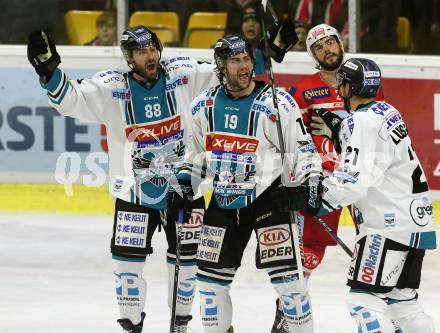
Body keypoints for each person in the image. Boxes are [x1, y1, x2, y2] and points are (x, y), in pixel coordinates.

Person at [27, 23, 297, 333]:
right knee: (126, 273)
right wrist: (49, 72)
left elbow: (227, 70)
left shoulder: (182, 73)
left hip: (185, 189)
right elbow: (70, 98)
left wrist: (269, 52)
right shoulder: (111, 86)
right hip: (134, 194)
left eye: (153, 48)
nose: (150, 55)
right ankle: (131, 326)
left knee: (186, 267)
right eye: (142, 52)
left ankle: (179, 326)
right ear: (129, 57)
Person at [170, 34, 322, 333]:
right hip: (223, 202)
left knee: (291, 286)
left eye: (246, 59)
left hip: (271, 200)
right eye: (234, 60)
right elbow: (194, 154)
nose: (243, 66)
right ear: (220, 66)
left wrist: (306, 186)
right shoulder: (203, 106)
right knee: (210, 286)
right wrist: (184, 187)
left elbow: (304, 150)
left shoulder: (277, 103)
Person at [310, 57, 437, 333]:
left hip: (387, 225)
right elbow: (369, 140)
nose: (338, 89)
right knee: (403, 304)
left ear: (348, 88)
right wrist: (341, 127)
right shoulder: (388, 110)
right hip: (417, 222)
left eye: (341, 84)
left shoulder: (361, 124)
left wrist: (316, 198)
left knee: (363, 302)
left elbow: (353, 183)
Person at [271, 23, 348, 333]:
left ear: (341, 44)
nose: (327, 49)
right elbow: (287, 130)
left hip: (358, 177)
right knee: (309, 252)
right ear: (313, 55)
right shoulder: (303, 89)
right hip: (322, 181)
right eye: (319, 46)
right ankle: (287, 312)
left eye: (331, 42)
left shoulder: (361, 80)